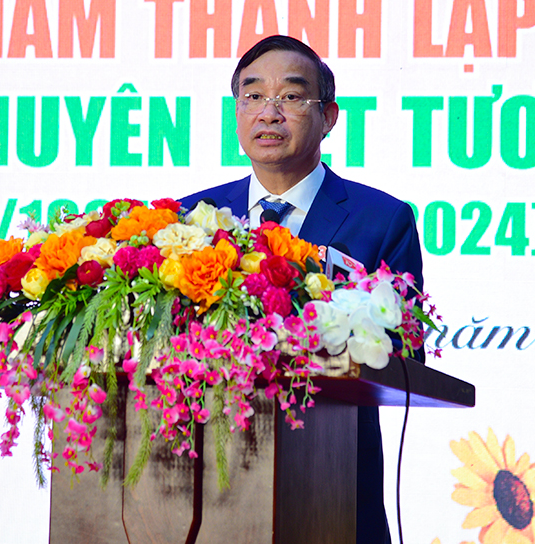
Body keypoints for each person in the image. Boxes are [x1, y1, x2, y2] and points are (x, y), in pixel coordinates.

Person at [180, 35, 423, 544]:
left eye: (291, 97)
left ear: (329, 117)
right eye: (252, 97)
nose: (268, 113)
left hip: (331, 486)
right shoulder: (185, 220)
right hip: (197, 492)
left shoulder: (382, 220)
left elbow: (406, 349)